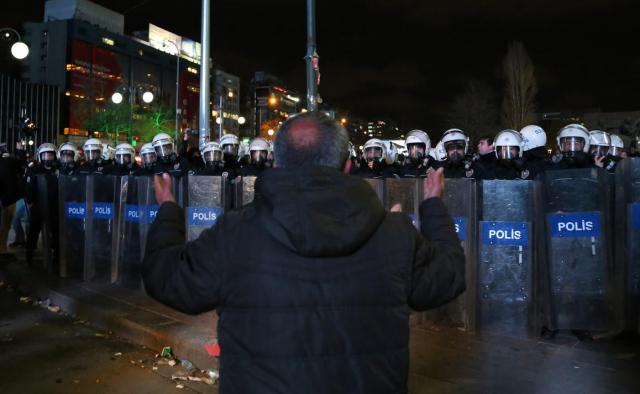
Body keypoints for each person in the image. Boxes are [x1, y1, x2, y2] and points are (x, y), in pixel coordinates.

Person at [142, 112, 465, 394]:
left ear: (277, 162)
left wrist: (169, 210)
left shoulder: (236, 232)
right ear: (349, 165)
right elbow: (448, 276)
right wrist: (433, 205)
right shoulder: (394, 233)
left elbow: (167, 278)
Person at [24, 142, 59, 265]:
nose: (47, 158)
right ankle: (29, 255)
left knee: (56, 232)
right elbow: (28, 188)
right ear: (40, 156)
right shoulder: (34, 170)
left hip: (54, 207)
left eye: (50, 155)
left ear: (54, 156)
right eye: (45, 155)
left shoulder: (58, 170)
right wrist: (30, 201)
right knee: (33, 231)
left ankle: (57, 256)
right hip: (38, 206)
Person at [0, 146, 25, 255]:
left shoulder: (7, 162)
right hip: (11, 199)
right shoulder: (11, 162)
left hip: (7, 198)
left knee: (5, 226)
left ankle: (3, 249)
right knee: (6, 226)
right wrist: (20, 150)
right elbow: (23, 164)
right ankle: (3, 249)